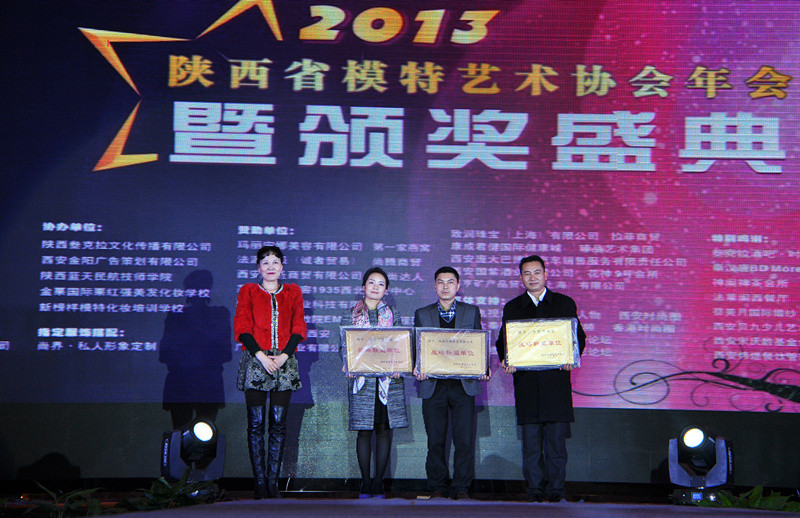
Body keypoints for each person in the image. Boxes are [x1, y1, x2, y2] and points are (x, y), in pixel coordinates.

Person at [495, 255, 585, 503]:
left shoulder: (564, 303)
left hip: (556, 385)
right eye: (527, 273)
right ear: (520, 278)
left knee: (556, 445)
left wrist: (571, 357)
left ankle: (556, 490)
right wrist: (506, 360)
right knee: (531, 445)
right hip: (527, 386)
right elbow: (503, 342)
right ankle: (534, 490)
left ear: (546, 275)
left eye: (537, 272)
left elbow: (578, 338)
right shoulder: (513, 308)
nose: (532, 277)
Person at [234, 245, 306, 499]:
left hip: (284, 362)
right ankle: (259, 482)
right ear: (258, 268)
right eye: (265, 262)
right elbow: (242, 327)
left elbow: (299, 327)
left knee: (278, 424)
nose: (271, 266)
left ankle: (273, 483)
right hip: (256, 361)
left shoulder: (293, 292)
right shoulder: (248, 291)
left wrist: (284, 356)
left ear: (282, 266)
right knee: (255, 425)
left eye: (275, 262)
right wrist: (261, 356)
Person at [414, 266, 490, 500]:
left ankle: (461, 487)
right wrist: (417, 367)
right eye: (440, 282)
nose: (445, 286)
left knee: (464, 440)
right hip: (433, 385)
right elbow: (417, 347)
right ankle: (437, 486)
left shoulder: (471, 311)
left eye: (450, 282)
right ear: (434, 286)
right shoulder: (422, 313)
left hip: (463, 385)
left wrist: (482, 366)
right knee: (435, 440)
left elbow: (478, 344)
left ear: (458, 286)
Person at [338, 267, 408, 499]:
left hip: (388, 381)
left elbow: (400, 345)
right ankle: (365, 482)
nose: (376, 287)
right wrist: (348, 364)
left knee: (384, 430)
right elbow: (344, 346)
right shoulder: (350, 314)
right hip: (363, 381)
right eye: (371, 282)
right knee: (364, 431)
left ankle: (379, 483)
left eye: (381, 284)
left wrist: (400, 365)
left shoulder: (393, 314)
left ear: (386, 290)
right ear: (363, 286)